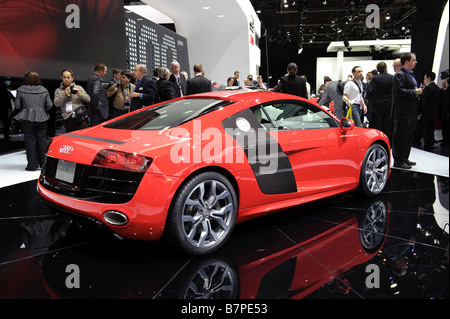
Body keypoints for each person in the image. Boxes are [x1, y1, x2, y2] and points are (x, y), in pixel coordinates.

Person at [14, 71, 52, 171]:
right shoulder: (43, 90)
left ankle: (32, 166)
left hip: (27, 118)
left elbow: (17, 105)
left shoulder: (21, 90)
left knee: (30, 142)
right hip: (42, 118)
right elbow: (49, 104)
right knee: (42, 141)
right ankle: (43, 165)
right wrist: (41, 109)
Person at [391, 52, 423, 169]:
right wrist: (415, 92)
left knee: (408, 137)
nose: (416, 62)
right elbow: (399, 91)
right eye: (414, 60)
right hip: (401, 112)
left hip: (411, 111)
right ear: (407, 61)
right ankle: (398, 161)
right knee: (400, 137)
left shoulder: (410, 75)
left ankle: (404, 158)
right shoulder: (399, 75)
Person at [366, 62, 394, 141]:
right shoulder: (392, 77)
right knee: (388, 125)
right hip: (389, 105)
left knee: (377, 125)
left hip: (377, 105)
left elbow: (370, 91)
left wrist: (367, 98)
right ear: (385, 67)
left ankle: (378, 140)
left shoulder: (375, 78)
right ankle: (388, 141)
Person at [419, 72, 441, 151]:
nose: (424, 80)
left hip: (427, 113)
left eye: (425, 78)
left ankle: (427, 145)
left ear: (428, 78)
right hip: (434, 113)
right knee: (431, 130)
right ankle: (430, 144)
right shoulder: (437, 88)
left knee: (426, 130)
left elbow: (424, 102)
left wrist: (420, 112)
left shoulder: (428, 88)